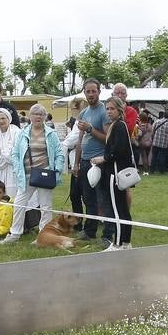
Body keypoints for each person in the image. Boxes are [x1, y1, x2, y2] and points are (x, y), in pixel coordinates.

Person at [3, 103, 66, 245]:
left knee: (46, 207)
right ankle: (14, 234)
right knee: (19, 205)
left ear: (44, 117)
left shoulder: (51, 133)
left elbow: (59, 154)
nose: (38, 117)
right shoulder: (23, 133)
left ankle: (43, 235)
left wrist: (57, 169)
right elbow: (15, 152)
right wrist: (17, 167)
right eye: (35, 114)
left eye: (41, 114)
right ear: (30, 116)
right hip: (26, 176)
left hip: (45, 175)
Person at [95, 96, 136, 250]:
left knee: (118, 210)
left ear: (120, 110)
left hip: (115, 174)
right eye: (107, 108)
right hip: (116, 172)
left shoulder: (119, 126)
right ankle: (126, 242)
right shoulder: (117, 125)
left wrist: (103, 158)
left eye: (112, 108)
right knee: (123, 209)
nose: (109, 111)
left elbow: (118, 151)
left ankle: (119, 243)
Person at [74, 80, 108, 241]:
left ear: (99, 92)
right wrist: (76, 163)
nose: (91, 94)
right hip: (85, 162)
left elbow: (108, 138)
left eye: (94, 91)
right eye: (88, 91)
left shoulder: (104, 112)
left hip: (100, 162)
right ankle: (90, 231)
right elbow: (80, 140)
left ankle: (108, 233)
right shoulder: (83, 113)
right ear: (84, 93)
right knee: (88, 199)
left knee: (103, 198)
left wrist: (90, 129)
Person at [0, 107, 20, 191]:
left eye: (3, 118)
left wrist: (1, 152)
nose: (1, 121)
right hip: (0, 172)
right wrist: (7, 153)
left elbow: (16, 154)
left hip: (15, 171)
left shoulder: (17, 132)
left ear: (8, 118)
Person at [150, 109, 168, 175]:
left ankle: (152, 170)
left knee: (154, 157)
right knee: (162, 157)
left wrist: (153, 139)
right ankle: (161, 171)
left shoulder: (157, 122)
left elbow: (152, 131)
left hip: (155, 142)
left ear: (163, 115)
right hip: (164, 144)